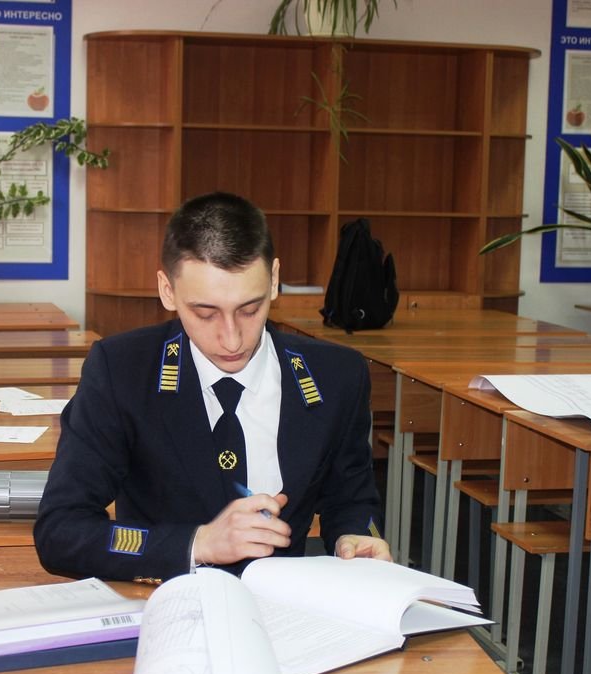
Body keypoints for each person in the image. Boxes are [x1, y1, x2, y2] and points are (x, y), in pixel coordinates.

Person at [34, 191, 390, 582]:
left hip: (285, 603)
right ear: (167, 291)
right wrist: (197, 544)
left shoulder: (336, 375)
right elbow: (61, 530)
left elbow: (351, 500)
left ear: (274, 280)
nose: (232, 339)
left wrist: (355, 537)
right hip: (164, 598)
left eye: (250, 309)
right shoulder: (122, 372)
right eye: (205, 313)